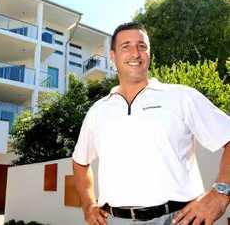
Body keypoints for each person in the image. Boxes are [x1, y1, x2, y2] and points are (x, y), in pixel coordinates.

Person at [72, 22, 230, 225]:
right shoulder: (97, 111)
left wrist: (221, 193)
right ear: (112, 56)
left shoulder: (182, 97)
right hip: (115, 220)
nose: (135, 53)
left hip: (179, 218)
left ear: (149, 53)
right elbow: (79, 162)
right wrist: (88, 205)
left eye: (142, 46)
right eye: (126, 46)